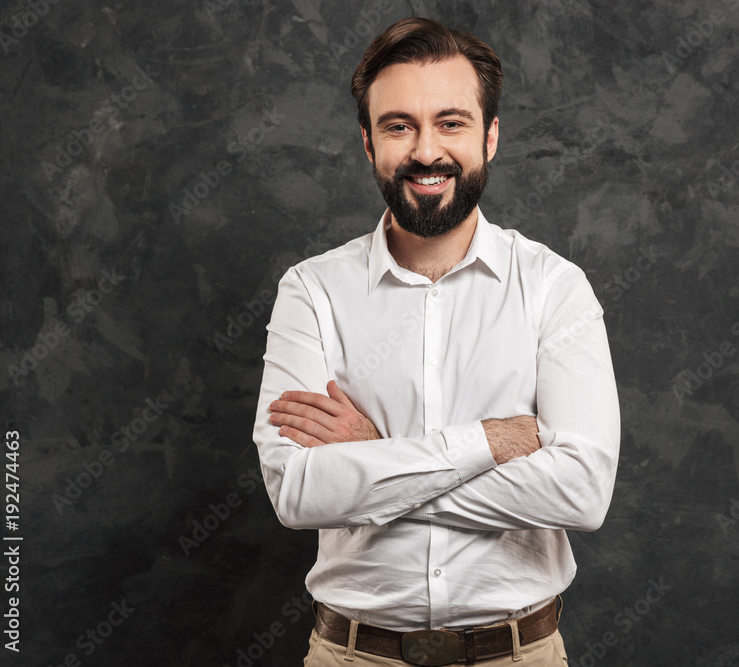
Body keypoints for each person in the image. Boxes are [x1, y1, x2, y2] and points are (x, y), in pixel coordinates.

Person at [252, 16, 620, 666]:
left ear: (491, 135)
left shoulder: (555, 289)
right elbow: (299, 491)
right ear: (368, 143)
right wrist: (489, 441)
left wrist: (374, 457)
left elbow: (581, 494)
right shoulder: (311, 291)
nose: (426, 151)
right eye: (400, 125)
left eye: (451, 123)